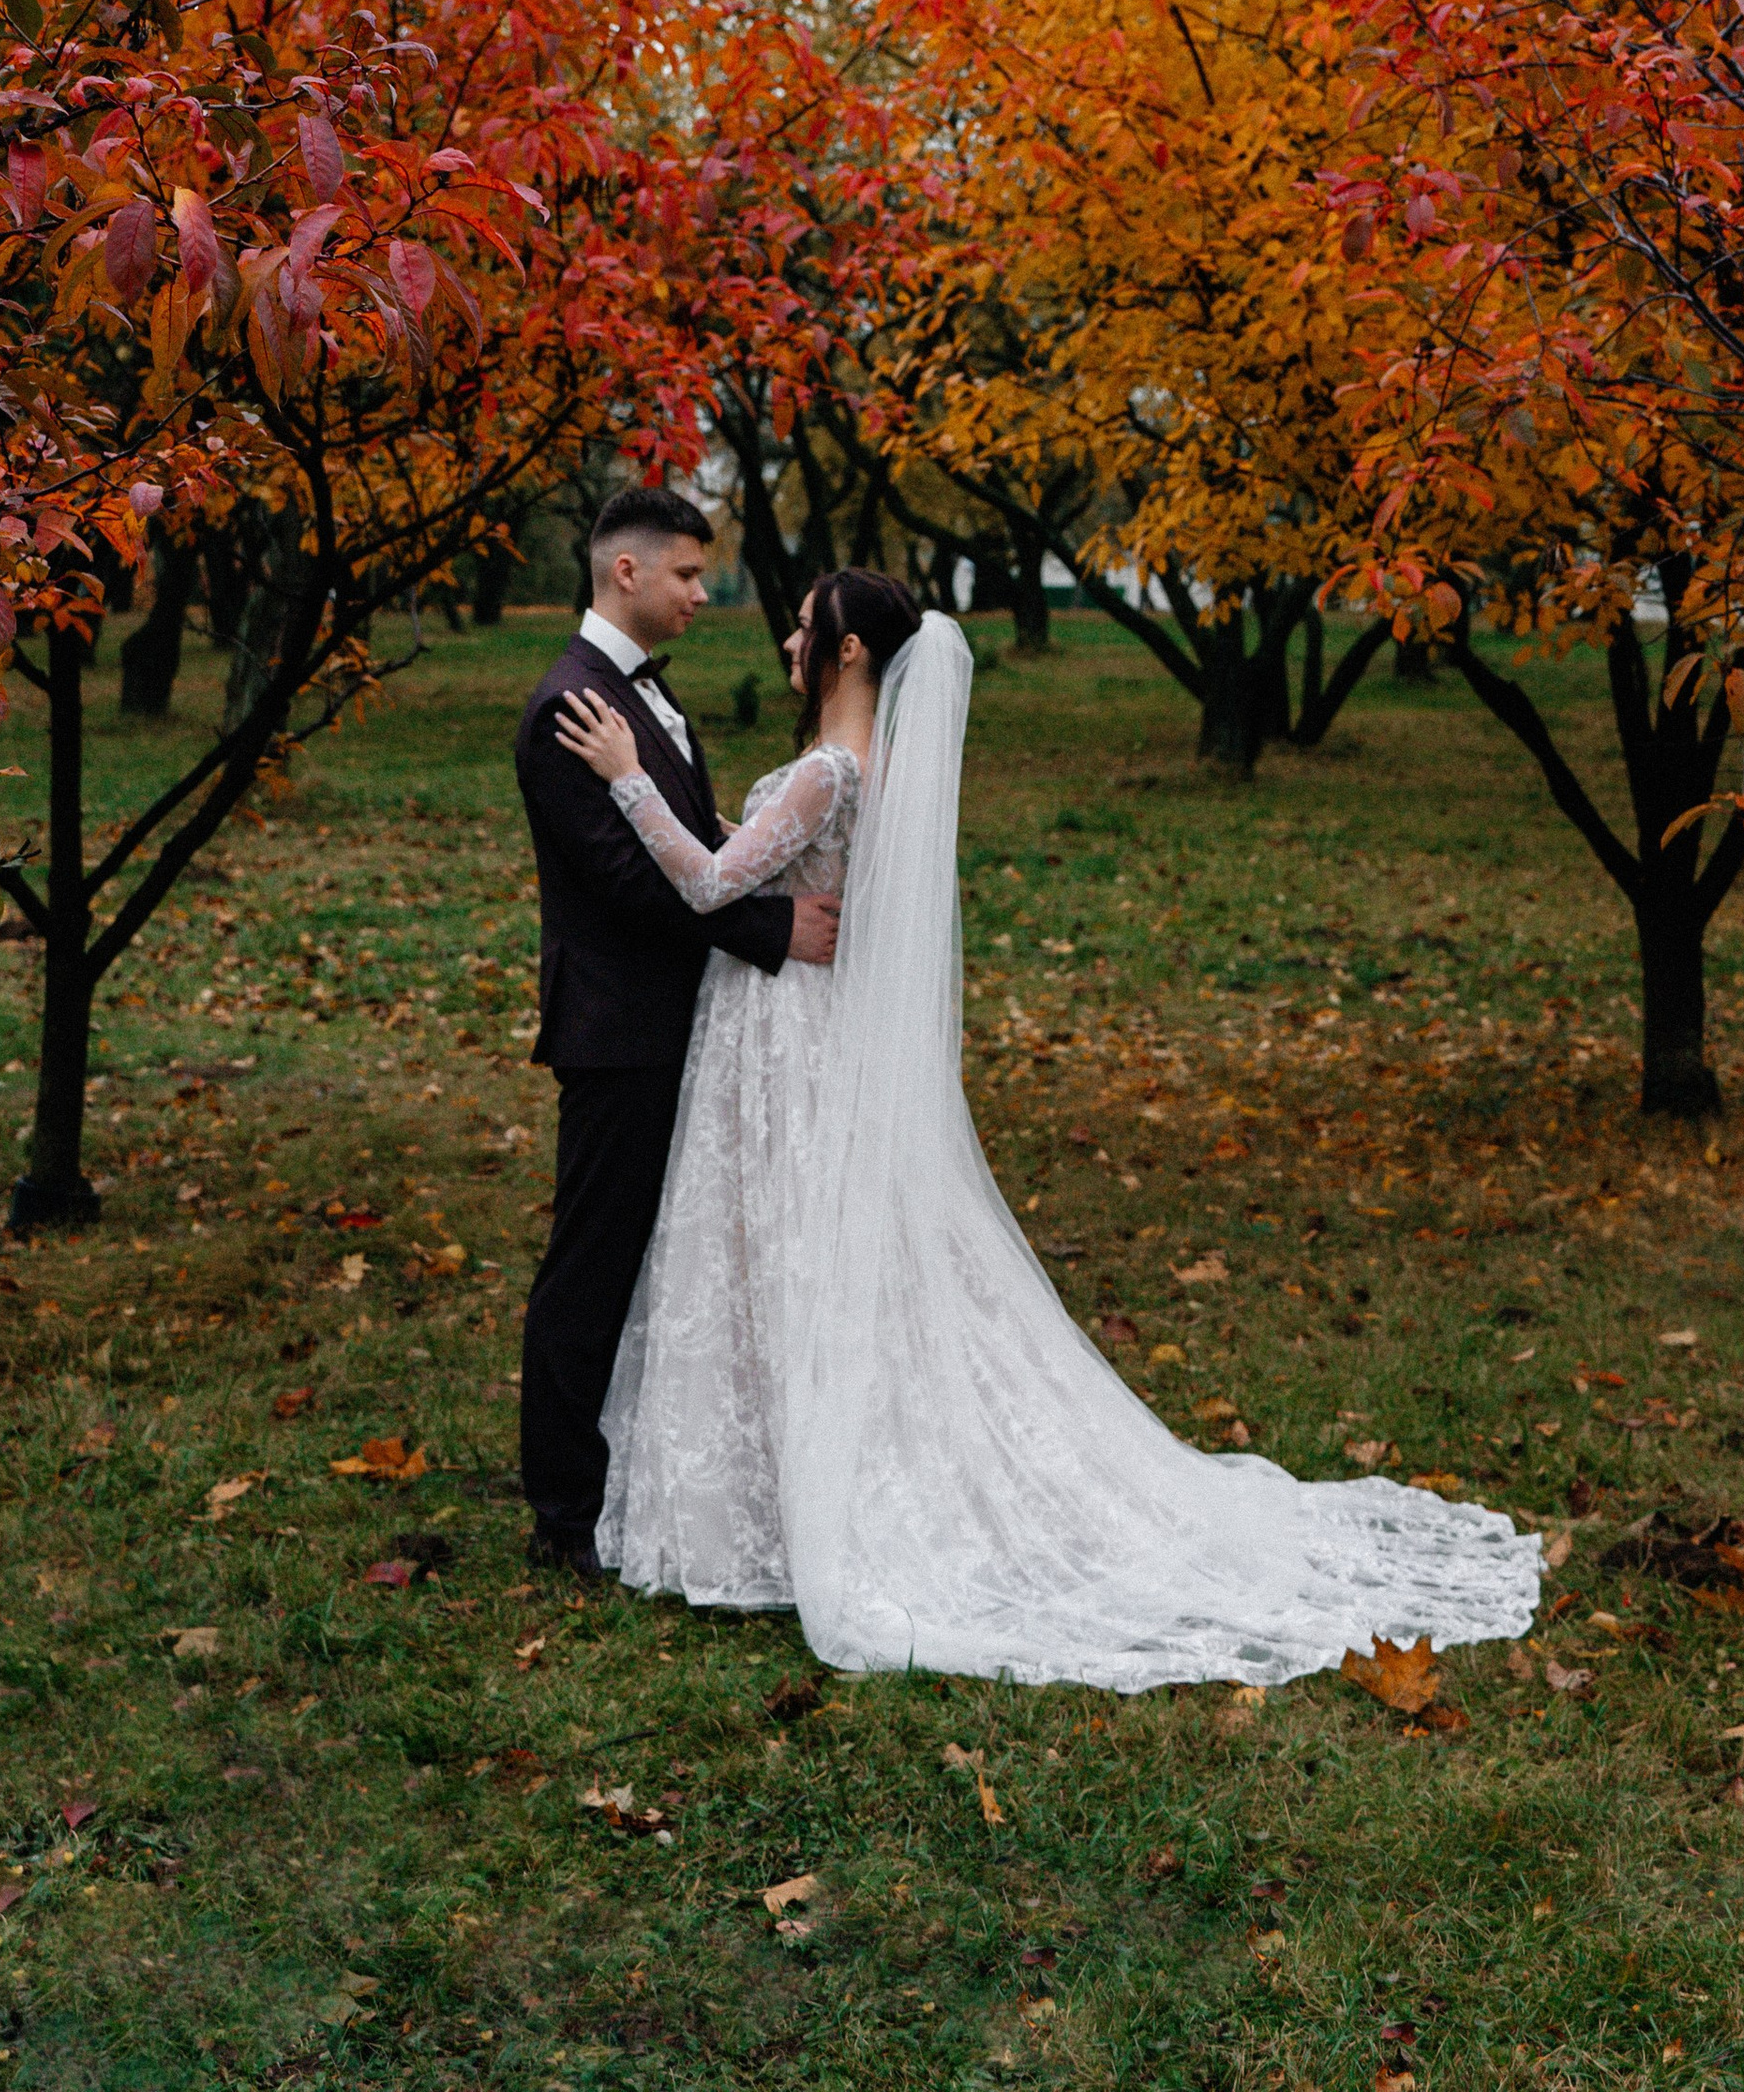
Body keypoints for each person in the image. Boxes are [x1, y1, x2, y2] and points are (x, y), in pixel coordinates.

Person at [565, 585, 1545, 1692]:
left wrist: (625, 778)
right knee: (806, 1256)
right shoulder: (862, 768)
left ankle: (795, 1497)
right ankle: (776, 1488)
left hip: (788, 1037)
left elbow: (702, 882)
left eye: (801, 630)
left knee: (796, 1249)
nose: (784, 644)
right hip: (794, 1026)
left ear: (846, 650)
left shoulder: (829, 771)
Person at [513, 484, 838, 1580]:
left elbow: (686, 843)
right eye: (690, 575)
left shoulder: (636, 695)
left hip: (671, 1019)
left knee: (653, 1261)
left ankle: (629, 1479)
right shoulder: (571, 705)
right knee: (591, 1265)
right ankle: (561, 1514)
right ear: (626, 572)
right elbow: (622, 887)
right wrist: (771, 927)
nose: (705, 594)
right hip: (618, 1030)